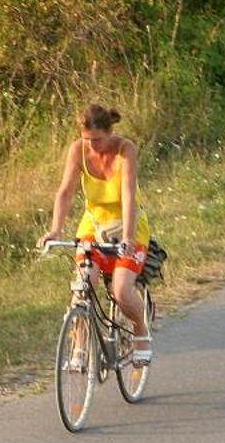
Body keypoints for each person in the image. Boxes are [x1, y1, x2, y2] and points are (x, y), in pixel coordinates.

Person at [39, 102, 153, 365]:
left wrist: (127, 236)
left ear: (110, 132)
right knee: (82, 286)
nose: (92, 146)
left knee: (122, 290)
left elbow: (128, 196)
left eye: (98, 140)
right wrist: (55, 229)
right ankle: (80, 348)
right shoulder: (78, 151)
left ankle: (140, 330)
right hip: (93, 225)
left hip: (128, 223)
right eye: (87, 140)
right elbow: (65, 192)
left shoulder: (126, 150)